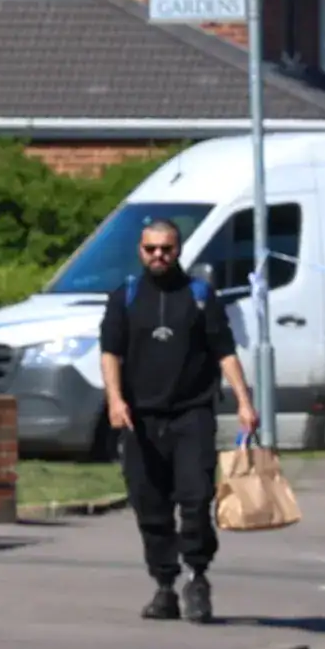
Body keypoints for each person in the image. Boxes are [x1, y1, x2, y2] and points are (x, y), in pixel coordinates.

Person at [97, 216, 254, 623]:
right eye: (151, 249)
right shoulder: (125, 297)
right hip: (140, 420)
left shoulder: (200, 296)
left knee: (195, 499)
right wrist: (115, 400)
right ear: (140, 251)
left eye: (166, 248)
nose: (159, 256)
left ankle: (197, 577)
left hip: (192, 415)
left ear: (178, 249)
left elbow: (225, 351)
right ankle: (164, 585)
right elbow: (110, 352)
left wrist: (244, 401)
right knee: (150, 505)